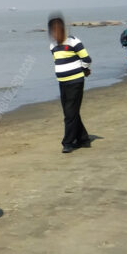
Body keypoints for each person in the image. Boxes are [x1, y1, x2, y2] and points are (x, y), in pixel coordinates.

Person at [48, 12, 92, 153]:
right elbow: (58, 61)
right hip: (62, 82)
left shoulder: (73, 41)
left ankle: (67, 143)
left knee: (69, 113)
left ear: (61, 29)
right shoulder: (52, 45)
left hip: (75, 82)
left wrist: (84, 70)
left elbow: (87, 59)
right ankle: (83, 139)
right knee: (71, 112)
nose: (54, 32)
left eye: (56, 29)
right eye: (52, 30)